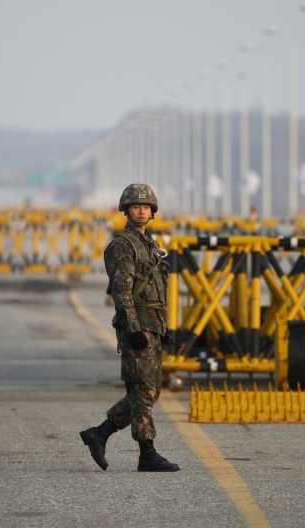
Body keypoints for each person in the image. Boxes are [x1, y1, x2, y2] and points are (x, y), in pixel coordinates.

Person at [79, 184, 180, 472]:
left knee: (146, 390)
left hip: (152, 326)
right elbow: (122, 293)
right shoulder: (122, 245)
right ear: (126, 210)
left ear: (152, 211)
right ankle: (147, 454)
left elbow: (156, 290)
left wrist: (162, 328)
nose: (142, 210)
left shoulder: (150, 243)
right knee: (144, 391)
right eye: (136, 206)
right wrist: (134, 329)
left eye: (146, 206)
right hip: (136, 327)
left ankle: (99, 434)